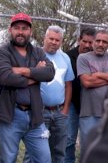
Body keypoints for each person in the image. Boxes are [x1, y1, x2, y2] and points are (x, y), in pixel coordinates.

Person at [0, 12, 55, 163]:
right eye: (17, 28)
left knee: (44, 159)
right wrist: (35, 74)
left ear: (30, 32)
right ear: (10, 30)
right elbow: (5, 77)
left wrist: (22, 71)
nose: (20, 32)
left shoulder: (38, 52)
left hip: (35, 116)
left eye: (24, 28)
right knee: (8, 159)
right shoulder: (2, 52)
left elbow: (49, 73)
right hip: (11, 115)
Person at [24, 25, 74, 163]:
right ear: (44, 38)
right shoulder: (34, 55)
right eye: (51, 38)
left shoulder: (65, 58)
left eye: (57, 40)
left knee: (59, 150)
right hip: (39, 112)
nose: (53, 42)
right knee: (33, 151)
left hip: (59, 113)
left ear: (61, 42)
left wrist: (65, 109)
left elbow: (68, 84)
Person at [64, 27, 96, 163]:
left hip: (91, 105)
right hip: (72, 103)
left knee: (89, 140)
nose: (88, 45)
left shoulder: (98, 57)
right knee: (69, 138)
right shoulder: (68, 56)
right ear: (79, 40)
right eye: (85, 41)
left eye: (91, 42)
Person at [77, 29, 108, 160]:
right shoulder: (83, 58)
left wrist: (99, 75)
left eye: (105, 42)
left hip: (107, 115)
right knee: (87, 151)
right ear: (93, 42)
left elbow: (92, 79)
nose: (101, 44)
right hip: (88, 113)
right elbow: (87, 82)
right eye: (98, 40)